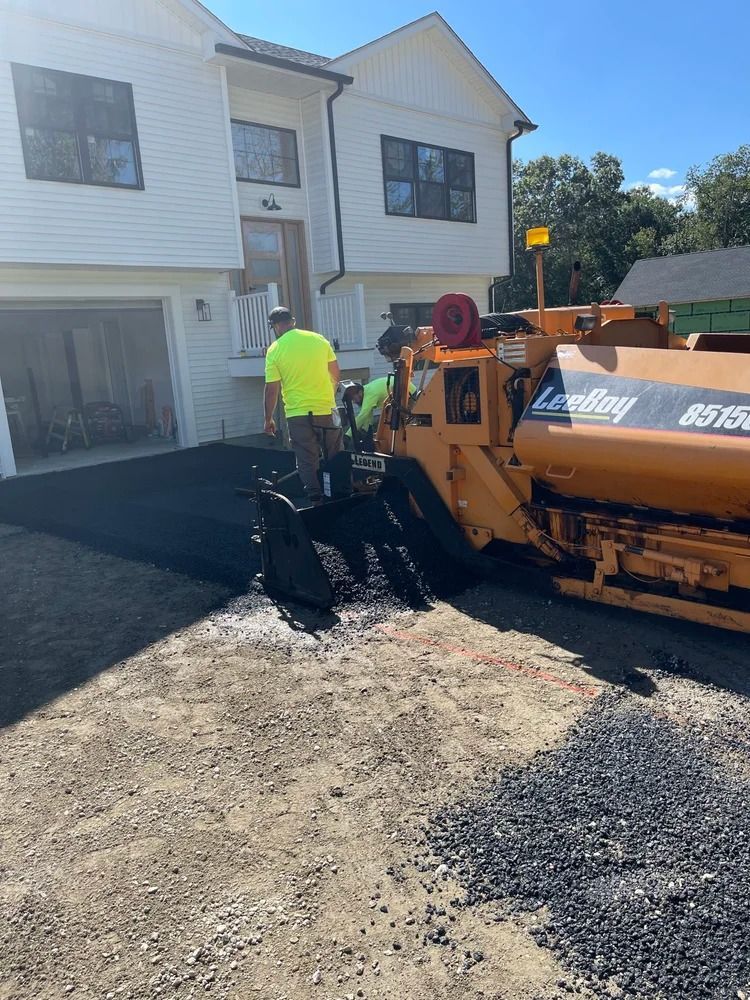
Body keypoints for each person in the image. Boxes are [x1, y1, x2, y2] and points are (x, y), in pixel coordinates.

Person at [264, 306, 343, 502]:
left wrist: (268, 419)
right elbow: (335, 373)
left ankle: (316, 498)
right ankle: (341, 491)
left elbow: (271, 389)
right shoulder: (318, 340)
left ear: (275, 326)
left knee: (307, 458)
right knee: (334, 452)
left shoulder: (275, 350)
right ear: (293, 321)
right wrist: (329, 396)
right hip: (326, 408)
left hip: (298, 413)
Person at [341, 376, 417, 436]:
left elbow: (362, 416)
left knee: (403, 424)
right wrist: (366, 430)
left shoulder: (370, 394)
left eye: (354, 398)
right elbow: (368, 415)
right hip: (402, 392)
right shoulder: (366, 390)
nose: (354, 402)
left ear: (359, 392)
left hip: (408, 393)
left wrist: (348, 435)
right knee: (394, 422)